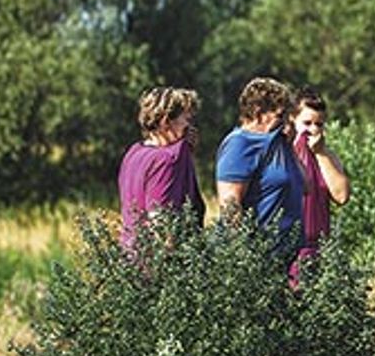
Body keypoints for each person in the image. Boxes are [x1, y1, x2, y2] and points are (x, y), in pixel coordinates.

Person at [215, 77, 305, 260]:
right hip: (256, 259)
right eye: (280, 115)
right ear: (258, 112)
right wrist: (245, 257)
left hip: (282, 257)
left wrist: (290, 146)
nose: (285, 121)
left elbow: (306, 185)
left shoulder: (279, 141)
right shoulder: (239, 144)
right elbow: (230, 206)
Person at [117, 86, 203, 250]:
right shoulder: (164, 161)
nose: (190, 128)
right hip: (154, 266)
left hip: (129, 258)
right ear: (166, 121)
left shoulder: (134, 151)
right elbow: (162, 228)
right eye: (186, 120)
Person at [289, 87, 350, 265]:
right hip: (289, 246)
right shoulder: (284, 153)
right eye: (307, 123)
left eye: (319, 124)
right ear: (293, 119)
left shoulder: (328, 156)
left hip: (319, 248)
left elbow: (341, 196)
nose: (313, 130)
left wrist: (320, 153)